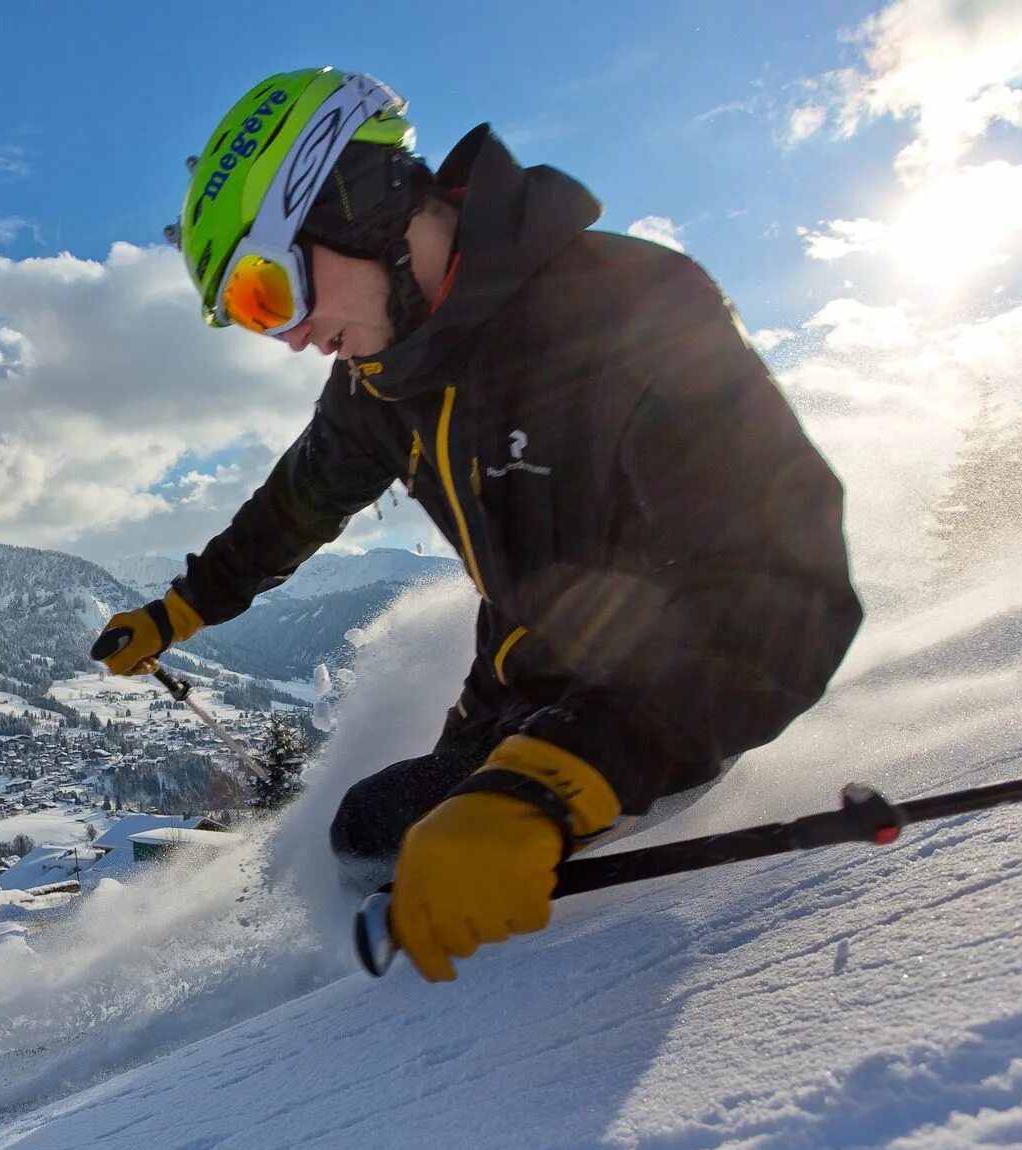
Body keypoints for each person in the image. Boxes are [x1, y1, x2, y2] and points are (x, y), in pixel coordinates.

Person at [90, 68, 863, 983]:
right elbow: (294, 504)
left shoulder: (630, 311)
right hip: (515, 698)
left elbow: (782, 588)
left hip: (653, 714)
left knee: (373, 833)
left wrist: (557, 778)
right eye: (254, 319)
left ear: (353, 201)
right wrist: (179, 610)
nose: (288, 338)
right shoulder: (385, 383)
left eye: (269, 293)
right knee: (382, 846)